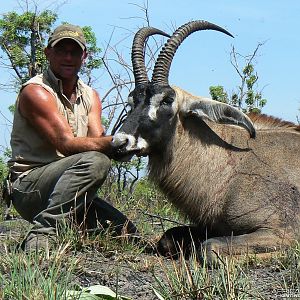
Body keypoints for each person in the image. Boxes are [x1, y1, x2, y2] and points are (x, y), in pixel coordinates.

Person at [7, 23, 137, 250]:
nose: (68, 57)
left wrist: (129, 144)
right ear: (48, 53)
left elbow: (97, 138)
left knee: (128, 234)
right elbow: (66, 144)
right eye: (61, 50)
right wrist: (116, 142)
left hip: (70, 192)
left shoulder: (90, 95)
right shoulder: (35, 91)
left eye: (74, 51)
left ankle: (68, 224)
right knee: (97, 160)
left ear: (84, 55)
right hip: (30, 188)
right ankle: (43, 233)